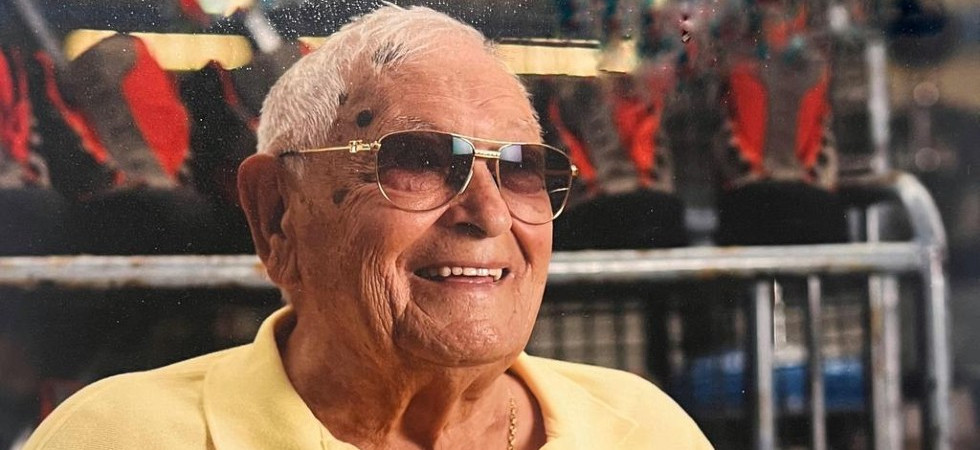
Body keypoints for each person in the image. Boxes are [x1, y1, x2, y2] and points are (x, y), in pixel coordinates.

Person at [23, 6, 712, 449]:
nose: (491, 214)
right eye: (418, 161)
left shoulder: (643, 429)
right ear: (276, 214)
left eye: (522, 169)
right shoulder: (121, 435)